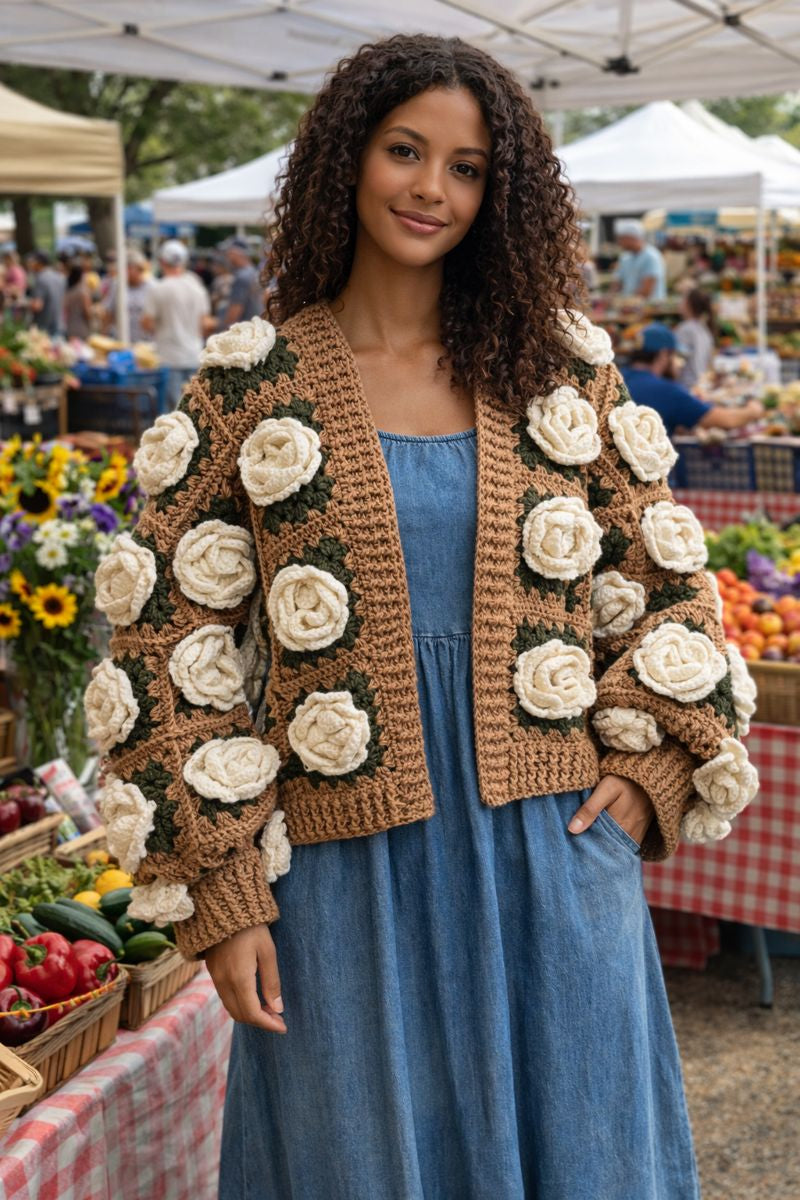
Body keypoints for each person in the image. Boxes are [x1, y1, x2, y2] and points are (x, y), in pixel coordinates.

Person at [91, 35, 756, 1200]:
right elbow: (157, 641)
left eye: (466, 167)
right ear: (348, 157)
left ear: (497, 194)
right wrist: (225, 890)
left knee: (588, 1159)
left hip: (552, 861)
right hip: (344, 891)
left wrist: (643, 771)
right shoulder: (253, 385)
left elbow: (670, 587)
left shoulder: (557, 371)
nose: (429, 189)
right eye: (405, 151)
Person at [622, 323, 763, 436]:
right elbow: (727, 420)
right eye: (676, 356)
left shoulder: (617, 379)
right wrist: (753, 410)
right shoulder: (666, 391)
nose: (678, 364)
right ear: (664, 354)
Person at [140, 239, 211, 407]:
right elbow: (205, 323)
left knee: (172, 411)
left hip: (169, 358)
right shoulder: (197, 287)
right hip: (194, 355)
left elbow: (147, 323)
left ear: (162, 262)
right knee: (194, 408)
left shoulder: (158, 288)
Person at [102, 249, 153, 342]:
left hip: (145, 342)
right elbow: (108, 312)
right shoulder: (117, 285)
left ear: (139, 269)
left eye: (129, 268)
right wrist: (104, 336)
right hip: (121, 339)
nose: (125, 272)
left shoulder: (151, 287)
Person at [613, 218, 667, 301]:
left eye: (622, 239)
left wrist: (627, 302)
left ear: (631, 238)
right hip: (629, 308)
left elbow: (646, 291)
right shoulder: (625, 257)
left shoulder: (651, 256)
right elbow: (617, 282)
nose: (619, 242)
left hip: (650, 310)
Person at [675, 288, 716, 388]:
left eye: (682, 300)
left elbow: (678, 362)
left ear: (688, 304)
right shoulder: (704, 329)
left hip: (687, 384)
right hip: (700, 384)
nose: (679, 303)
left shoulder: (685, 329)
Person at [219, 235, 263, 328]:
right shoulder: (254, 272)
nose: (227, 256)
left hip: (244, 331)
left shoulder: (242, 277)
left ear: (235, 253)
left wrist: (224, 331)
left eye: (228, 252)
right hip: (255, 328)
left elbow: (234, 313)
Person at [27, 251, 66, 336]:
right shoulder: (59, 277)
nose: (30, 264)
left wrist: (25, 303)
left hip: (44, 330)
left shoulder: (41, 278)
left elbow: (37, 306)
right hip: (59, 326)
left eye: (32, 261)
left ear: (39, 263)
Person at [63, 264, 93, 340]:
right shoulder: (83, 291)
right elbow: (87, 312)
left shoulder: (69, 291)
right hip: (82, 328)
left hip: (70, 327)